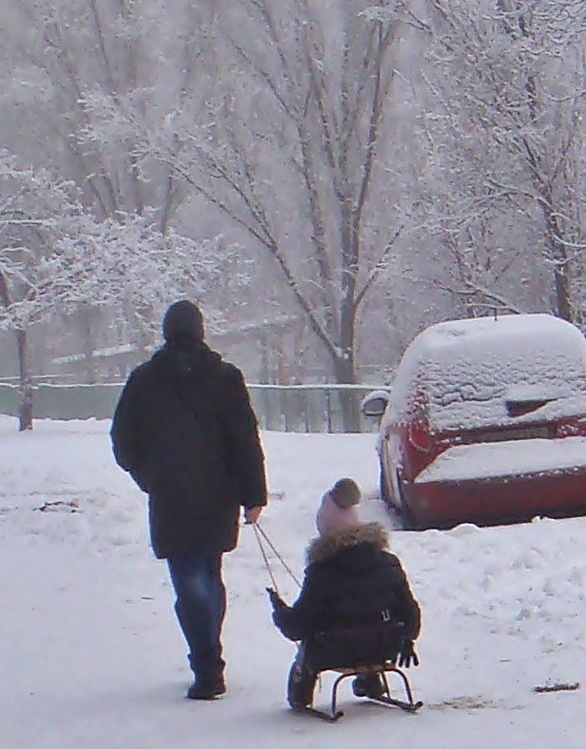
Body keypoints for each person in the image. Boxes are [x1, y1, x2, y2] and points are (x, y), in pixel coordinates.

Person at [110, 300, 268, 701]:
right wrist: (252, 494)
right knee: (209, 576)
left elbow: (123, 439)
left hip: (171, 499)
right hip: (218, 496)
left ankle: (207, 665)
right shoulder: (226, 378)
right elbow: (245, 440)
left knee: (188, 582)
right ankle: (209, 657)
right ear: (201, 331)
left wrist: (150, 477)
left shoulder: (144, 381)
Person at [268, 478, 421, 712]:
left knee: (315, 640)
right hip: (386, 646)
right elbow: (409, 609)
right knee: (369, 623)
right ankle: (371, 679)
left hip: (334, 652)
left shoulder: (322, 571)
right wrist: (407, 637)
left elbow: (299, 626)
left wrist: (280, 611)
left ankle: (301, 692)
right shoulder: (389, 563)